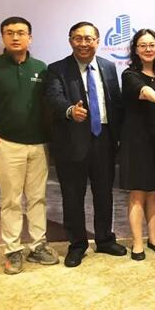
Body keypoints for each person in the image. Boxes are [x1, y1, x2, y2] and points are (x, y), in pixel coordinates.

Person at [0, 16, 59, 275]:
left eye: (21, 32)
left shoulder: (41, 68)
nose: (15, 37)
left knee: (38, 198)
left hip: (39, 144)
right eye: (9, 32)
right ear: (3, 37)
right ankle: (12, 250)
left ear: (30, 38)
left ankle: (38, 245)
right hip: (7, 144)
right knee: (11, 200)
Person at [44, 21, 126, 267]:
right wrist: (70, 110)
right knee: (72, 195)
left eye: (89, 38)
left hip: (104, 139)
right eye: (78, 38)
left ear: (97, 42)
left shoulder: (108, 67)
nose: (83, 43)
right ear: (70, 41)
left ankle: (105, 239)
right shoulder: (57, 69)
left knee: (104, 193)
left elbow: (115, 102)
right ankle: (77, 244)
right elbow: (54, 97)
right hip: (71, 142)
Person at [118, 29, 155, 261]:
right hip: (135, 141)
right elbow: (144, 91)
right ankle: (137, 242)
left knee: (154, 192)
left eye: (152, 45)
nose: (148, 49)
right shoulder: (130, 74)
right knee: (138, 193)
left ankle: (154, 238)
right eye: (143, 45)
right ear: (136, 50)